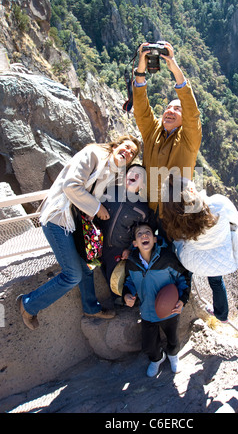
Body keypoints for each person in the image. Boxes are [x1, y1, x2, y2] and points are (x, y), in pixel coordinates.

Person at [17, 135, 141, 330]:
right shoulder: (93, 154)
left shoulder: (113, 172)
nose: (127, 152)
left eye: (132, 153)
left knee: (86, 265)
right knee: (72, 275)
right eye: (126, 147)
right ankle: (28, 304)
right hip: (59, 217)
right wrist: (96, 207)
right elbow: (71, 185)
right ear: (116, 145)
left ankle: (91, 307)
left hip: (76, 222)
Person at [133, 41, 202, 218]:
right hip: (147, 209)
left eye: (177, 109)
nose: (170, 111)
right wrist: (141, 69)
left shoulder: (189, 138)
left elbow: (192, 113)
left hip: (174, 215)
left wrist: (174, 67)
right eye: (168, 108)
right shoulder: (153, 131)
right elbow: (141, 109)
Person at [161, 175, 238, 323]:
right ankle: (222, 316)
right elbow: (236, 220)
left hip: (192, 261)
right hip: (219, 260)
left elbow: (178, 241)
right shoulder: (218, 203)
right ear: (191, 189)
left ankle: (180, 302)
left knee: (186, 274)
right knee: (216, 282)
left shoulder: (176, 219)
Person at [123, 222, 191, 377]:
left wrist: (182, 299)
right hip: (147, 312)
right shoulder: (132, 263)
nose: (144, 235)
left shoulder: (166, 258)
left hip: (170, 310)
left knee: (172, 338)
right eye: (139, 234)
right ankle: (157, 359)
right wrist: (127, 294)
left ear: (154, 239)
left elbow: (183, 277)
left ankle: (173, 356)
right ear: (135, 243)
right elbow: (129, 282)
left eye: (147, 232)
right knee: (149, 345)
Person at [98, 164, 156, 301]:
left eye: (139, 175)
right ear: (125, 177)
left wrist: (130, 248)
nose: (134, 175)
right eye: (132, 172)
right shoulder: (110, 191)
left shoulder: (142, 208)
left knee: (113, 277)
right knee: (96, 270)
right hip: (98, 242)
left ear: (142, 185)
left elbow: (139, 232)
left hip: (118, 248)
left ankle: (121, 301)